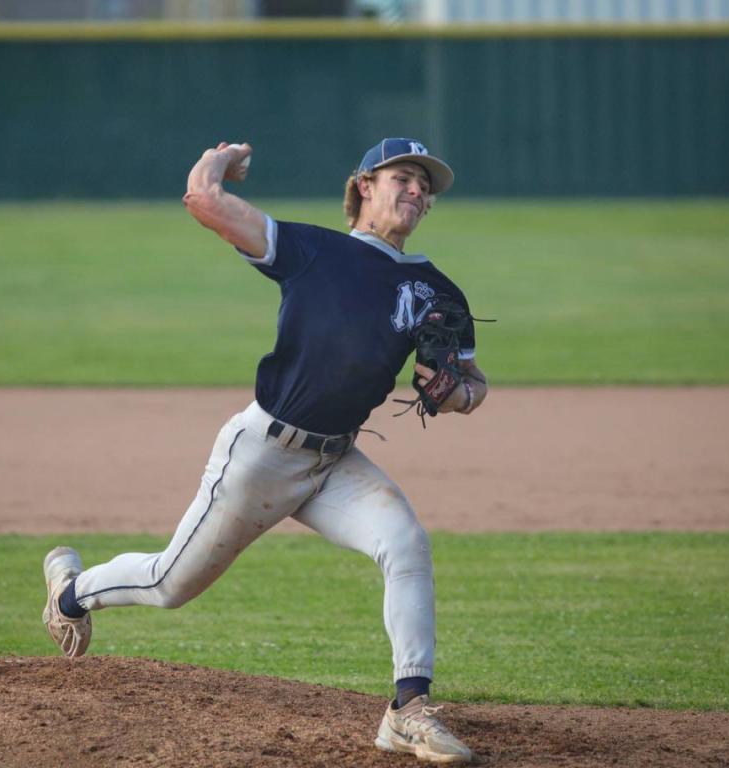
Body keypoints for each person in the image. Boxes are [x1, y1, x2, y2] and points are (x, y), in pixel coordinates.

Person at [42, 138, 489, 764]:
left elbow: (472, 383)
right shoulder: (313, 250)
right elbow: (204, 200)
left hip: (335, 463)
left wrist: (455, 394)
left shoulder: (438, 290)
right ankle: (71, 593)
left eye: (427, 185)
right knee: (171, 584)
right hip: (261, 455)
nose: (418, 191)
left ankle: (407, 710)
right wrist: (222, 161)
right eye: (405, 177)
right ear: (364, 185)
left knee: (406, 542)